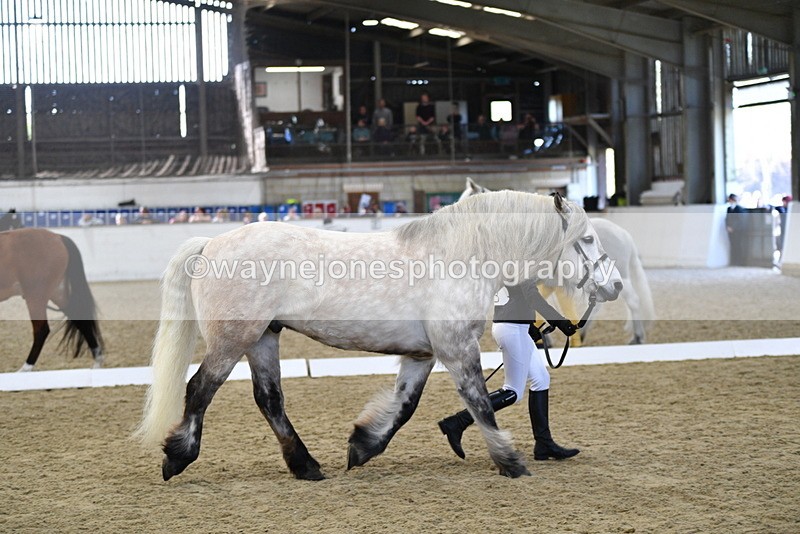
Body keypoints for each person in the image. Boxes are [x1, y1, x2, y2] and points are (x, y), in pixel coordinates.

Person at [437, 282, 581, 462]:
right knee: (513, 391)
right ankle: (457, 422)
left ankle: (544, 443)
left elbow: (517, 296)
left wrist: (531, 327)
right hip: (512, 329)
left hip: (516, 327)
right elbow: (532, 296)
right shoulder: (523, 261)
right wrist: (559, 321)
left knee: (541, 379)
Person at [726, 194, 746, 266]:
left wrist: (733, 227)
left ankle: (739, 262)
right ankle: (733, 261)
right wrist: (728, 227)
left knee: (738, 246)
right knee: (733, 246)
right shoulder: (728, 209)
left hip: (738, 231)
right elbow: (727, 219)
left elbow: (740, 220)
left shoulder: (739, 209)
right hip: (730, 231)